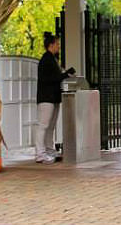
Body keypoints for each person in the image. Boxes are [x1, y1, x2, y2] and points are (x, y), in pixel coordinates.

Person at [36, 32, 75, 164]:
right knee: (43, 125)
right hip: (46, 98)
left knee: (50, 126)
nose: (59, 46)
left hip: (53, 97)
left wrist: (64, 74)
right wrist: (65, 75)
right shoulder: (46, 59)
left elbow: (55, 77)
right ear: (51, 45)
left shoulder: (53, 59)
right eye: (57, 44)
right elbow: (49, 78)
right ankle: (40, 154)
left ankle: (49, 150)